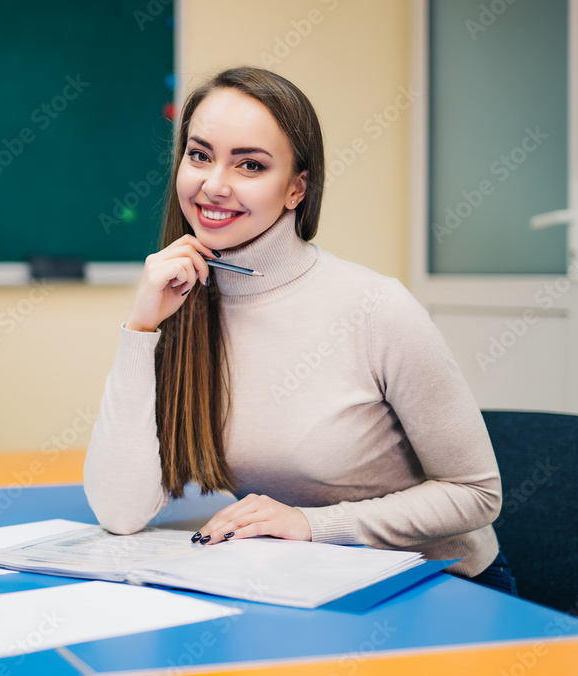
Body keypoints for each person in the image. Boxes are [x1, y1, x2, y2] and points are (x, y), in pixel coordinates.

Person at [83, 66, 517, 596]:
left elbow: (476, 493)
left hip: (439, 586)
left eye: (250, 164)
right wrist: (141, 326)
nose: (214, 184)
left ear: (296, 189)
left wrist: (314, 526)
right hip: (303, 582)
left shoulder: (377, 307)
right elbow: (121, 513)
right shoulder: (182, 299)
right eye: (200, 155)